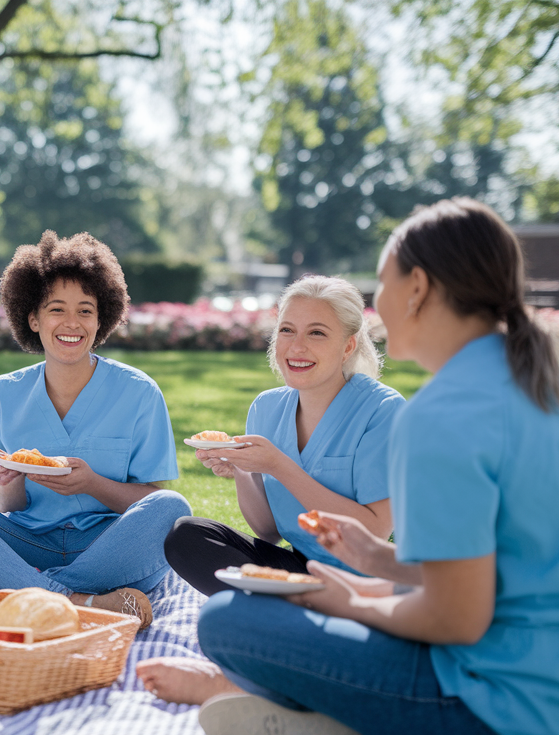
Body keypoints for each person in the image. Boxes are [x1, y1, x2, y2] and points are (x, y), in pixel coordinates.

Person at [185, 199, 559, 735]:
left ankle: (338, 720)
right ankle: (339, 722)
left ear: (418, 288)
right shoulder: (542, 385)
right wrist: (380, 562)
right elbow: (507, 570)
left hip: (521, 724)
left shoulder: (441, 414)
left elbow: (455, 621)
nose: (377, 307)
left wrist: (342, 599)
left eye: (381, 285)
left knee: (227, 620)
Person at [0, 231, 191, 627]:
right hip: (27, 543)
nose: (72, 323)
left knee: (173, 510)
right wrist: (9, 481)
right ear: (33, 318)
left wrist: (91, 484)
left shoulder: (139, 392)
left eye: (85, 310)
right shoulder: (5, 392)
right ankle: (77, 602)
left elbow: (148, 503)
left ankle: (6, 592)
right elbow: (9, 509)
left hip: (107, 547)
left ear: (101, 318)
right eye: (57, 309)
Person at [137, 276, 404, 701]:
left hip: (360, 582)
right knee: (186, 536)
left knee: (232, 605)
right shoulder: (266, 407)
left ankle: (290, 633)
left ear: (349, 346)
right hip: (296, 572)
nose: (296, 347)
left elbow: (372, 533)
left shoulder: (384, 412)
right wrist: (244, 467)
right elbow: (266, 530)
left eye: (317, 333)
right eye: (287, 330)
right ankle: (298, 627)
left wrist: (279, 465)